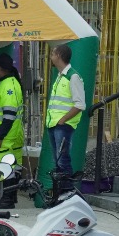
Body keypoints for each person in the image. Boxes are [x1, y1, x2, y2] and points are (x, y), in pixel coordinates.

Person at [43, 43, 87, 193]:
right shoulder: (60, 76)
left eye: (53, 53)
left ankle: (68, 193)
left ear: (59, 56)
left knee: (63, 160)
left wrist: (63, 120)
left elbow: (80, 104)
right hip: (54, 124)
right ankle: (60, 193)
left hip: (63, 125)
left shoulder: (72, 77)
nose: (51, 57)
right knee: (58, 161)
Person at [0, 53, 25, 169]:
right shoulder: (7, 83)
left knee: (1, 175)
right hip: (8, 139)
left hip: (4, 141)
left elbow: (9, 116)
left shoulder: (8, 86)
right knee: (6, 176)